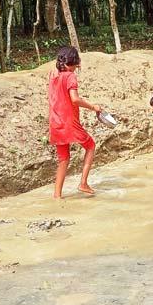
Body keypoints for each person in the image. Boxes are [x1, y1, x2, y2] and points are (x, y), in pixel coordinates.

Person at [48, 46, 102, 198]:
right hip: (68, 122)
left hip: (55, 122)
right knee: (90, 146)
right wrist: (94, 107)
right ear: (75, 62)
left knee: (63, 159)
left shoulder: (53, 74)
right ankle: (83, 183)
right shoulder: (70, 76)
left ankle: (57, 195)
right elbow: (75, 99)